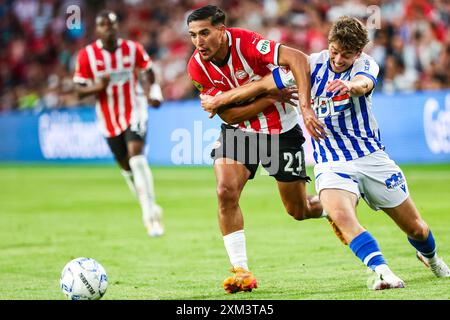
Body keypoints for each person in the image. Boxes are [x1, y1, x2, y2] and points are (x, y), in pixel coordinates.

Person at [200, 16, 450, 290]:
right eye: (335, 51)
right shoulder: (310, 65)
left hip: (370, 158)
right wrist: (221, 100)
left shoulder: (366, 65)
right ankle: (383, 272)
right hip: (331, 162)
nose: (339, 59)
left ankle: (431, 257)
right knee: (342, 216)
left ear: (358, 52)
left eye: (347, 54)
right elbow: (262, 86)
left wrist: (349, 86)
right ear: (328, 44)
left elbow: (363, 84)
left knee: (416, 228)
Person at [186, 5, 326, 294]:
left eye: (204, 33)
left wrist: (305, 106)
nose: (198, 42)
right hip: (241, 132)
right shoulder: (196, 67)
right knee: (225, 191)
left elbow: (298, 58)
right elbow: (229, 117)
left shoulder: (247, 42)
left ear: (221, 31)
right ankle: (241, 271)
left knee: (298, 210)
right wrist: (268, 93)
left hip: (281, 131)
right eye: (192, 36)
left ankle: (336, 206)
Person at [73, 10, 164, 237]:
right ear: (98, 30)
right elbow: (78, 89)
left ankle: (150, 218)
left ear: (117, 27)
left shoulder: (132, 49)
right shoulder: (87, 56)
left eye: (112, 25)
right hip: (108, 118)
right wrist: (97, 88)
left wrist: (153, 92)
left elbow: (148, 71)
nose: (108, 29)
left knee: (137, 158)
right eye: (103, 25)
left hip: (135, 109)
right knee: (126, 167)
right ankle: (150, 206)